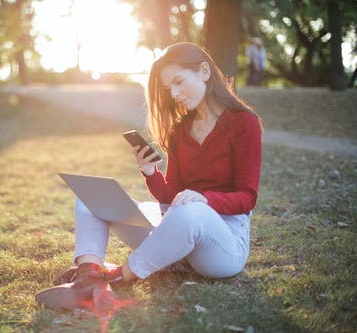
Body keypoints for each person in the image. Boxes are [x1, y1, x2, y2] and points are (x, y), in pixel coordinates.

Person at [35, 42, 262, 311]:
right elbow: (170, 197)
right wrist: (150, 171)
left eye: (178, 82)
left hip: (221, 247)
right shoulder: (181, 130)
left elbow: (247, 198)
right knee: (91, 196)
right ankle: (87, 277)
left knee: (190, 211)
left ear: (204, 71)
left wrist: (204, 200)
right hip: (175, 239)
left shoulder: (244, 123)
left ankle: (117, 275)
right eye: (170, 88)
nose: (175, 93)